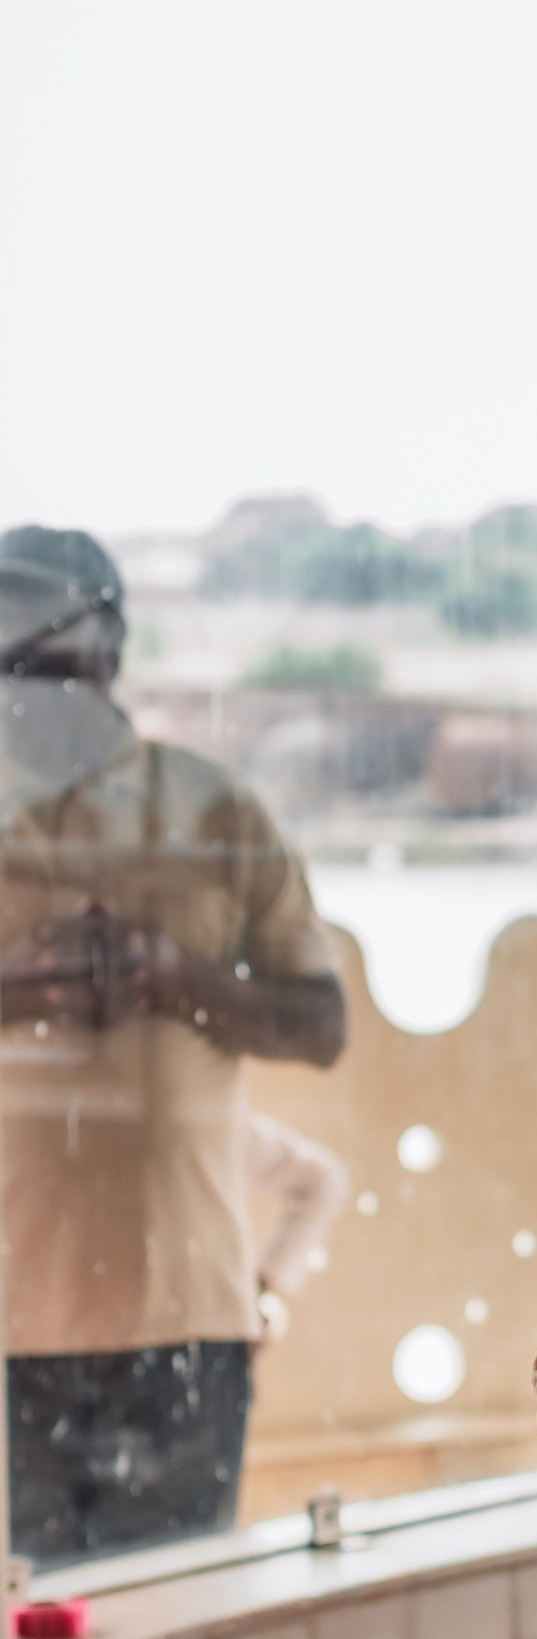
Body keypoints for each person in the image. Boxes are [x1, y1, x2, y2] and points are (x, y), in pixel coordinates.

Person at [0, 526, 347, 1567]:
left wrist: (175, 978)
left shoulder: (213, 812)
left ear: (110, 644)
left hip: (188, 1329)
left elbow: (319, 1027)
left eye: (54, 640)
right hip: (11, 1330)